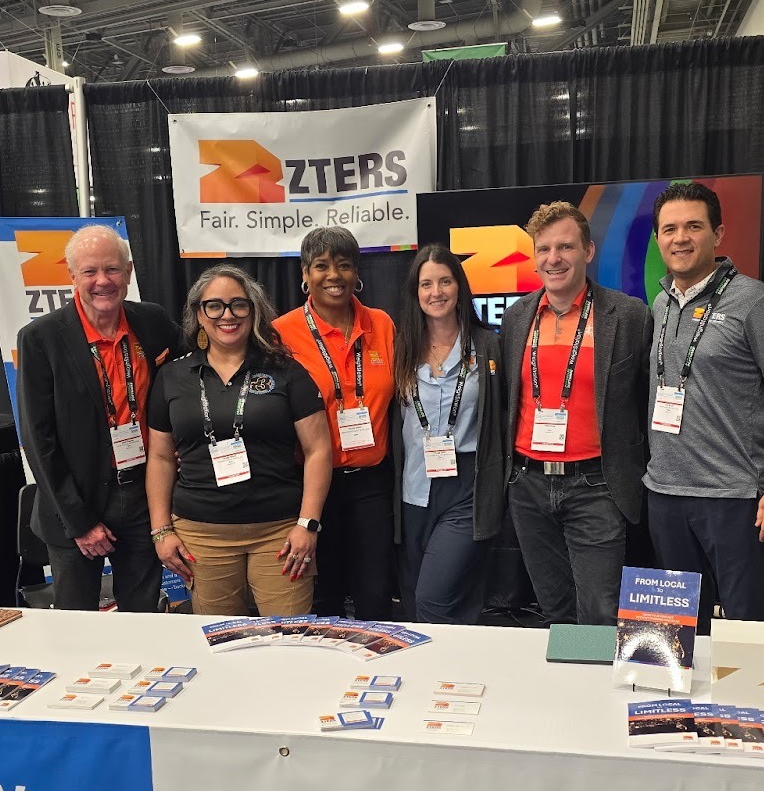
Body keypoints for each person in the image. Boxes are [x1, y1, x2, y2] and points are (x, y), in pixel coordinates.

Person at [643, 180, 764, 630]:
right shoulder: (660, 303)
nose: (681, 238)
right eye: (670, 229)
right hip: (666, 493)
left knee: (745, 627)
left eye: (693, 226)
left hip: (734, 498)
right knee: (675, 630)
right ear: (659, 239)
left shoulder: (755, 302)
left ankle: (743, 702)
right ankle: (677, 706)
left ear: (717, 235)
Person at [16, 224, 187, 611]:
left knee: (142, 618)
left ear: (128, 272)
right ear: (72, 277)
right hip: (76, 508)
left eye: (112, 270)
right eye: (90, 272)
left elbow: (197, 366)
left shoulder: (153, 322)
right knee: (79, 631)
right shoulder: (41, 339)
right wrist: (81, 523)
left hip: (144, 497)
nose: (102, 281)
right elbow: (38, 440)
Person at [146, 266, 331, 616]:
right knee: (222, 645)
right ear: (198, 315)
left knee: (290, 641)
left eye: (238, 305)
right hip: (201, 537)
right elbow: (160, 458)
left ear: (254, 311)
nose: (227, 315)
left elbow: (318, 449)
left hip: (279, 533)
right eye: (214, 306)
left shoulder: (286, 371)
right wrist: (160, 532)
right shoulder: (172, 376)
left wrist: (308, 524)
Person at [500, 201, 648, 626]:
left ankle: (594, 686)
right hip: (528, 486)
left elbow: (647, 400)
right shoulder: (516, 319)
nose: (554, 258)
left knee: (599, 610)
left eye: (565, 246)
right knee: (555, 606)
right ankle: (573, 681)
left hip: (596, 486)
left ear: (588, 251)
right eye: (544, 249)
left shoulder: (629, 316)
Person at [273, 227, 397, 621]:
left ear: (356, 273)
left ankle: (374, 679)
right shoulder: (281, 334)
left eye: (344, 265)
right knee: (319, 598)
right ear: (305, 274)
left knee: (374, 596)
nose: (333, 275)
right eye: (321, 266)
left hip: (371, 485)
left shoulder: (382, 325)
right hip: (309, 486)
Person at [390, 246, 505, 623]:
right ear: (415, 292)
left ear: (459, 287)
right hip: (413, 489)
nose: (436, 292)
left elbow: (504, 413)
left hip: (466, 488)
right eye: (426, 284)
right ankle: (446, 678)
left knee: (432, 598)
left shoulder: (487, 345)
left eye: (444, 281)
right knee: (414, 600)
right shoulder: (401, 345)